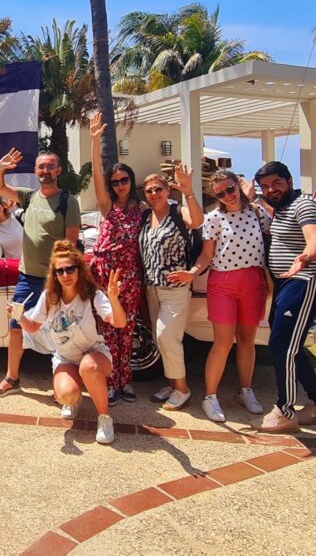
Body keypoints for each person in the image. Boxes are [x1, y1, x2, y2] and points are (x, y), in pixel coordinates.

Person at [0, 149, 80, 398]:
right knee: (16, 325)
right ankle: (12, 378)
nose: (45, 171)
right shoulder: (28, 197)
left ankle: (67, 383)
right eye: (41, 167)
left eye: (50, 166)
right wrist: (0, 166)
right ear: (35, 171)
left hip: (55, 280)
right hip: (27, 279)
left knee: (62, 329)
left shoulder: (68, 202)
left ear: (58, 170)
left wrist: (62, 279)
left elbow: (70, 245)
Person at [15, 241, 126, 444]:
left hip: (94, 354)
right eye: (60, 271)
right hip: (65, 358)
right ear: (54, 275)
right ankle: (74, 399)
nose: (65, 275)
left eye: (70, 269)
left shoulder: (92, 295)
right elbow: (32, 327)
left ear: (79, 270)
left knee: (88, 367)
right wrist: (18, 316)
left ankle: (104, 418)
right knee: (65, 395)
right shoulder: (49, 297)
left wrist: (113, 298)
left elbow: (119, 323)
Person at [253, 160, 316, 433]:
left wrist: (305, 258)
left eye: (276, 183)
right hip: (286, 283)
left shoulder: (304, 205)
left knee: (281, 346)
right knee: (292, 346)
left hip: (304, 281)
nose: (271, 190)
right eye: (265, 186)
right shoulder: (282, 208)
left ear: (289, 181)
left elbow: (315, 238)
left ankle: (285, 411)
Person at [183, 169, 269, 422]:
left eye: (230, 189)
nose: (227, 196)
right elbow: (206, 255)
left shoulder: (258, 212)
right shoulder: (213, 218)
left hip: (253, 281)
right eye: (220, 194)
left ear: (238, 186)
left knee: (246, 339)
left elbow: (277, 235)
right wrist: (193, 272)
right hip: (223, 283)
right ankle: (210, 396)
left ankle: (246, 390)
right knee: (222, 341)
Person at [87, 112, 145, 406]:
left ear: (131, 181)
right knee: (107, 332)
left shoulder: (142, 208)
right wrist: (94, 142)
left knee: (126, 330)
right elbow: (97, 177)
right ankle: (110, 382)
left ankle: (126, 381)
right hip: (103, 276)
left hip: (129, 279)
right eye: (116, 181)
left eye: (124, 180)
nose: (120, 184)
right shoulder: (107, 206)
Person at [139, 166, 204, 411]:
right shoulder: (146, 217)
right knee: (160, 339)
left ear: (167, 190)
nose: (154, 193)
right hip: (152, 287)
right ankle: (171, 383)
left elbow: (197, 221)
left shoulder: (178, 211)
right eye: (149, 191)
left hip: (175, 287)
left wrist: (188, 192)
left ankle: (182, 389)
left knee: (167, 336)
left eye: (158, 189)